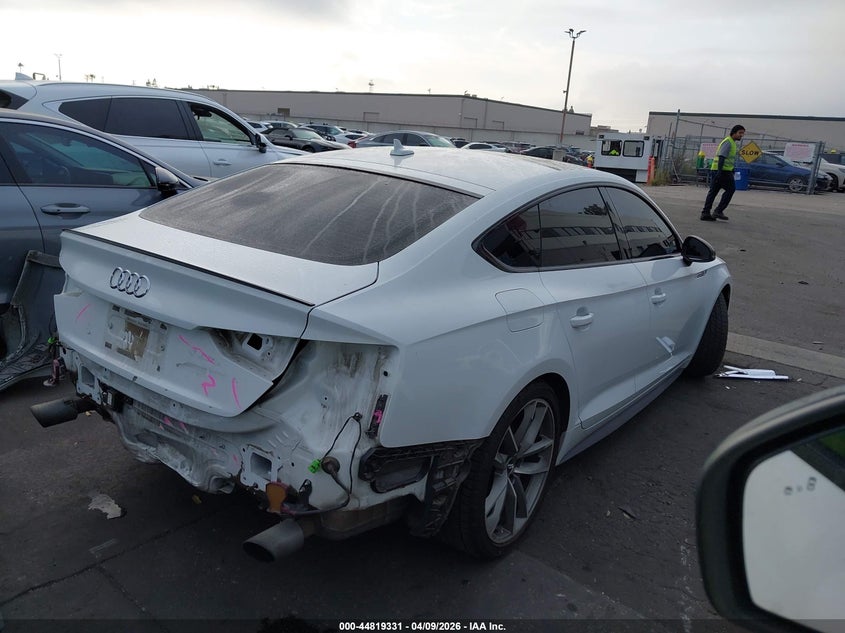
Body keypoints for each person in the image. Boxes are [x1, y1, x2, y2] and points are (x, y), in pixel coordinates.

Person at [701, 125, 746, 221]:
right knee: (730, 189)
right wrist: (720, 172)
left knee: (713, 191)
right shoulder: (728, 142)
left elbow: (728, 159)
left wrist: (731, 169)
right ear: (734, 132)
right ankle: (718, 211)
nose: (741, 135)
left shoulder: (732, 143)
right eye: (740, 133)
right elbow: (721, 157)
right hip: (722, 171)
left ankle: (705, 213)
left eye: (742, 133)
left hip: (723, 170)